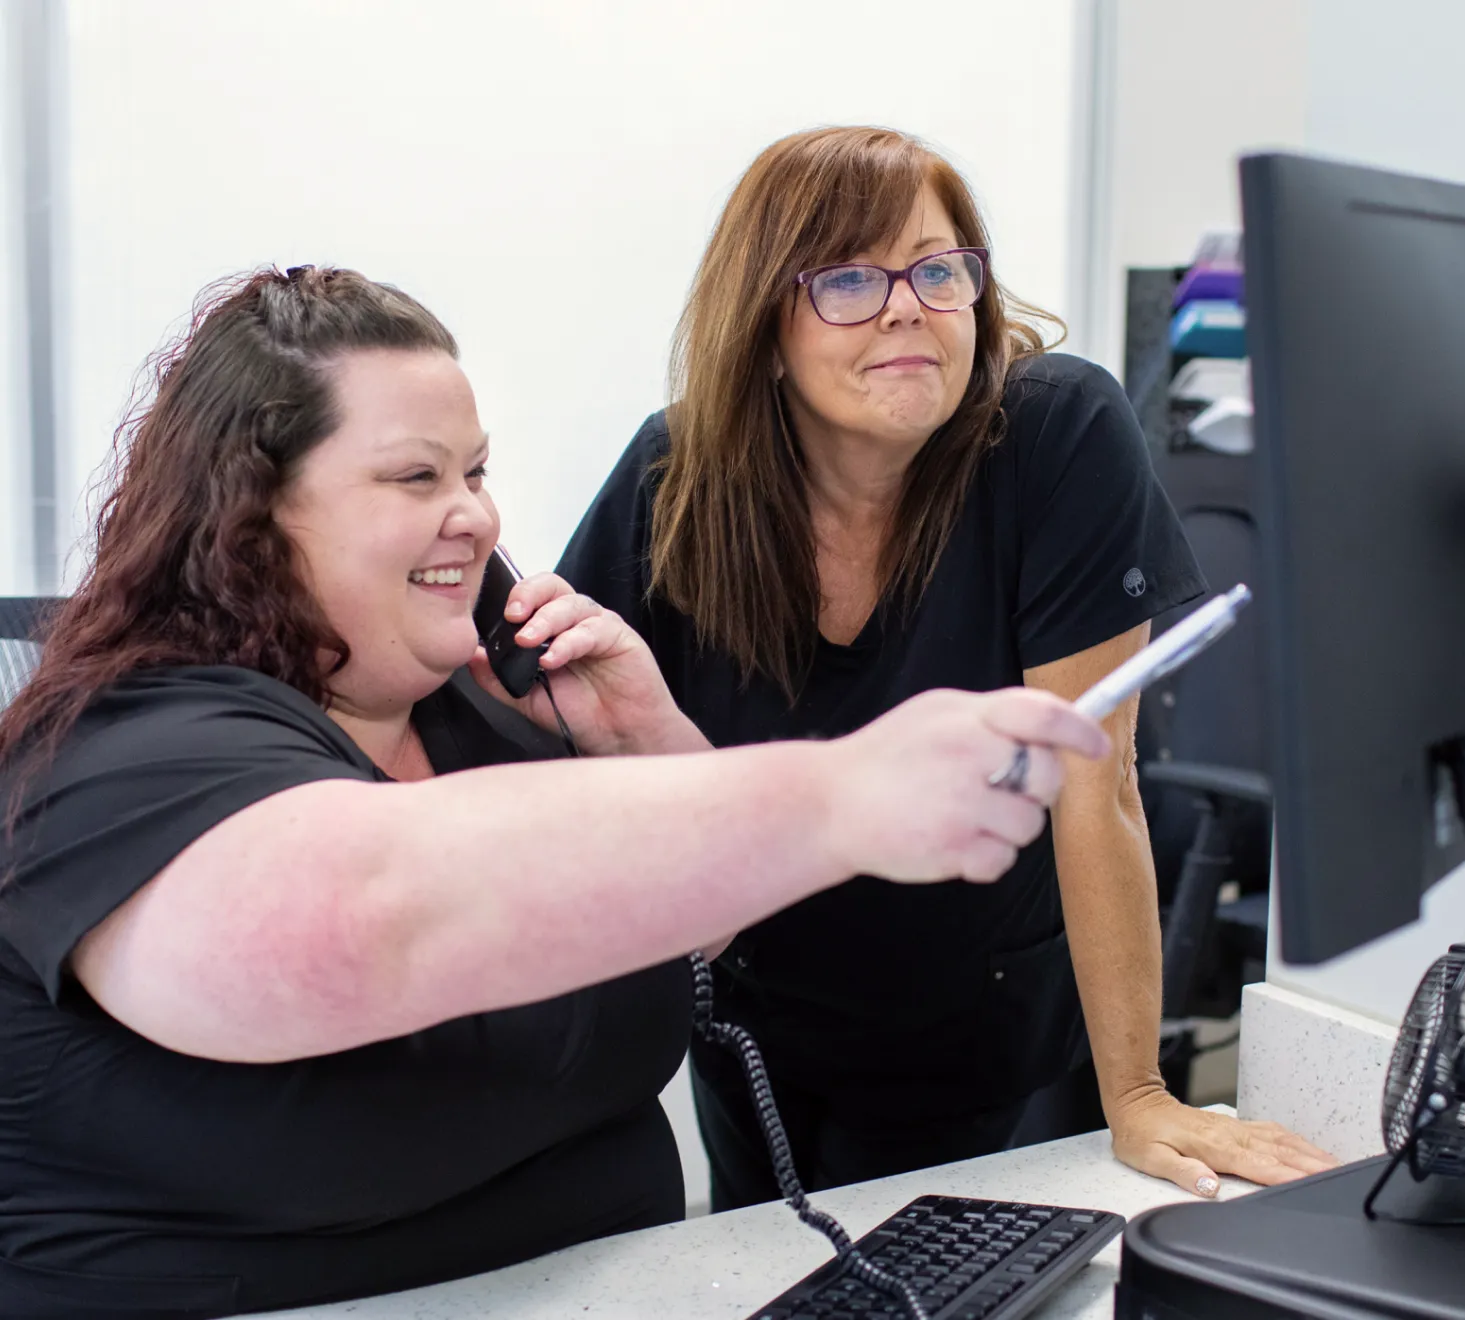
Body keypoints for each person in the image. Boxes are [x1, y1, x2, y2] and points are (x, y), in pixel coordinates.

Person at [0, 266, 1111, 1319]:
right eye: (415, 477)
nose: (475, 518)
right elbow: (356, 922)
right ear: (250, 519)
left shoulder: (480, 713)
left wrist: (647, 743)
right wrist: (837, 794)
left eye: (475, 473)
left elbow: (695, 927)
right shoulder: (126, 740)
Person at [558, 126, 1336, 1212]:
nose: (905, 306)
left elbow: (1094, 777)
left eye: (935, 269)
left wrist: (1143, 1093)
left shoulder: (1053, 435)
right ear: (765, 327)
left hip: (990, 1027)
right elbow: (572, 744)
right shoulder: (676, 476)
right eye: (846, 278)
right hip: (757, 1030)